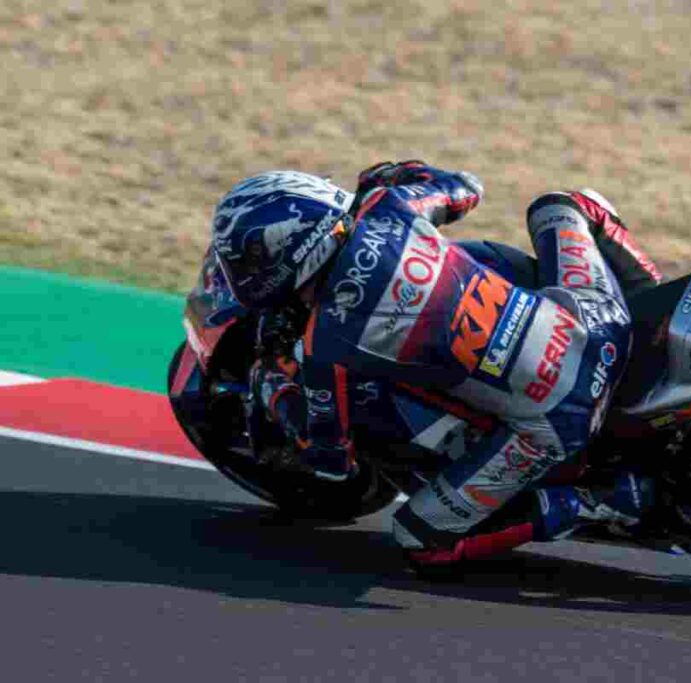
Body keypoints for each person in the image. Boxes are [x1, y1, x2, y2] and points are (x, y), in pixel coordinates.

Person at [211, 161, 662, 566]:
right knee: (562, 205)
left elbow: (330, 461)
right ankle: (655, 310)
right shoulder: (389, 207)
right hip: (598, 321)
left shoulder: (327, 344)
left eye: (245, 260)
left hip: (558, 420)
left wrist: (275, 391)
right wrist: (393, 175)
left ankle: (598, 501)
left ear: (281, 252)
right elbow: (466, 188)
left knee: (421, 541)